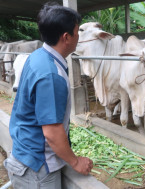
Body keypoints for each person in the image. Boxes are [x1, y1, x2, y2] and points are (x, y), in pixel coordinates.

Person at [4, 2, 93, 189]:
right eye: (77, 32)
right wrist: (75, 162)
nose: (79, 37)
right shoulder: (51, 75)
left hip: (24, 155)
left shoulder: (38, 56)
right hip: (37, 170)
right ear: (66, 37)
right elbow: (52, 132)